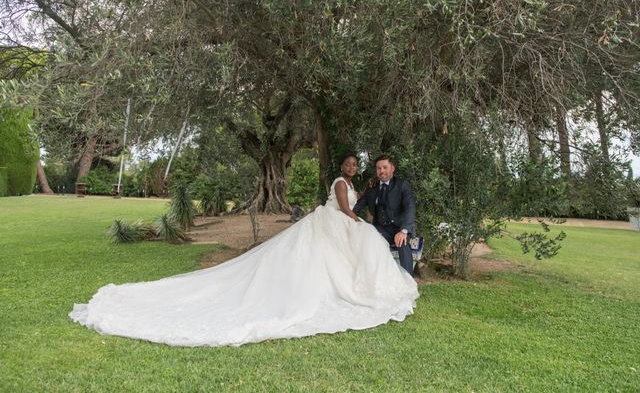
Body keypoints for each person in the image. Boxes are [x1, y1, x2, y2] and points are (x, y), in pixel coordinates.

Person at [69, 152, 418, 347]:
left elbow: (358, 205)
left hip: (339, 222)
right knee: (335, 256)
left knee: (343, 255)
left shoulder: (362, 183)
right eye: (350, 165)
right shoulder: (342, 183)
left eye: (358, 165)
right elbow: (346, 209)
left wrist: (360, 212)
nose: (353, 169)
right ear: (342, 167)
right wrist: (356, 222)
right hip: (334, 221)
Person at [353, 155, 416, 274]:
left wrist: (403, 231)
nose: (381, 171)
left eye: (385, 167)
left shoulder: (402, 185)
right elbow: (360, 205)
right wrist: (345, 215)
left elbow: (410, 207)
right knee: (369, 243)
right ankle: (374, 278)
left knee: (402, 243)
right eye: (378, 168)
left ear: (392, 168)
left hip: (399, 227)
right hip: (380, 228)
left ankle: (409, 281)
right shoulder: (372, 187)